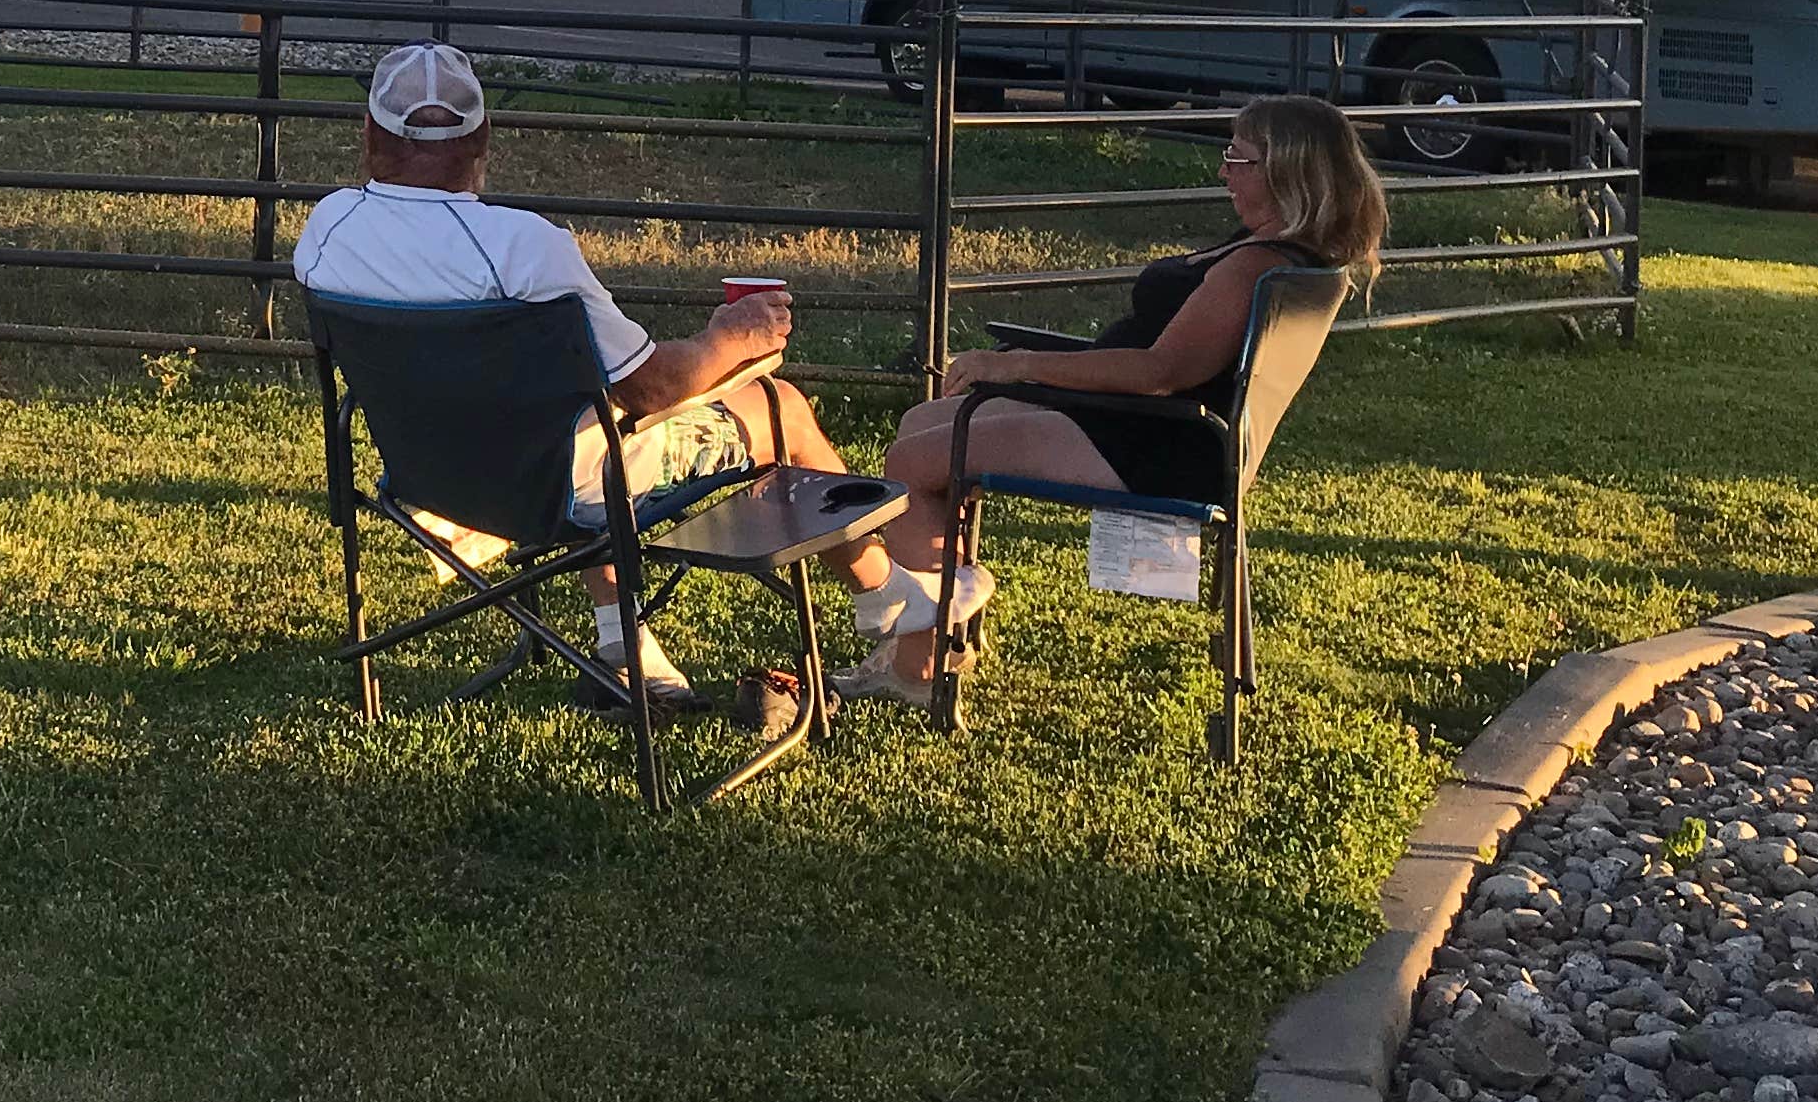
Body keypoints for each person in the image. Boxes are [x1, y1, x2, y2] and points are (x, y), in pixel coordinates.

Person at [293, 40, 902, 709]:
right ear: (483, 138)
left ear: (371, 133)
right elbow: (649, 387)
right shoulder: (526, 248)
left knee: (580, 415)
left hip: (426, 475)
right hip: (551, 487)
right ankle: (891, 603)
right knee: (776, 404)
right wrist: (731, 339)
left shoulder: (327, 231)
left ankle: (627, 646)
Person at [858, 90, 1387, 702]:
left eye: (1237, 159)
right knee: (924, 419)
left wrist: (1027, 364)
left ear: (1283, 171)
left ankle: (920, 667)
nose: (1223, 171)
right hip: (1146, 423)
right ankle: (945, 627)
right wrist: (1034, 368)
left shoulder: (1256, 266)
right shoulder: (1281, 253)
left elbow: (1160, 369)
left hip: (1155, 438)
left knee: (915, 460)